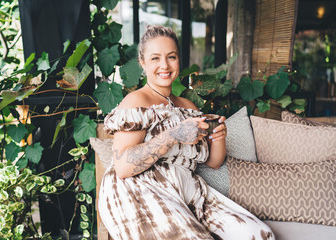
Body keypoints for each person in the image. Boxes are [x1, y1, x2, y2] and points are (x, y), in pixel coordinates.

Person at [98, 25, 274, 240]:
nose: (164, 65)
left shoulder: (187, 106)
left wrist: (218, 136)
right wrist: (173, 135)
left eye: (171, 57)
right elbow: (123, 167)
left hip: (188, 188)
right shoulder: (136, 101)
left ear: (178, 60)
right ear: (142, 63)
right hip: (141, 187)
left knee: (260, 235)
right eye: (155, 58)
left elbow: (214, 162)